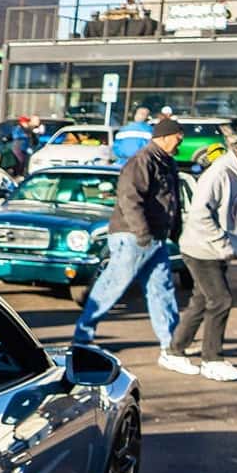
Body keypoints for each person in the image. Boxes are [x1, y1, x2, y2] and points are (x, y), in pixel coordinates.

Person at [73, 118, 185, 362]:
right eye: (178, 137)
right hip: (134, 236)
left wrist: (175, 231)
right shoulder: (142, 161)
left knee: (161, 289)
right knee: (112, 286)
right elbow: (129, 198)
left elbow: (172, 200)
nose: (181, 142)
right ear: (165, 137)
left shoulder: (167, 162)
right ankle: (82, 337)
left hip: (155, 238)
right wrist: (142, 232)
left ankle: (172, 345)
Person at [164, 129, 237, 381]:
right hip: (201, 248)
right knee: (221, 300)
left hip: (218, 250)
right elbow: (200, 214)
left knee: (202, 300)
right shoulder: (219, 173)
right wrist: (223, 243)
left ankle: (174, 351)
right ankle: (212, 360)